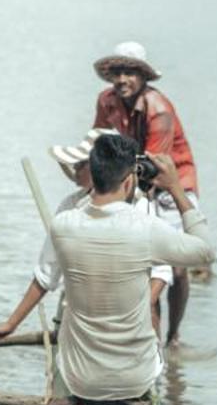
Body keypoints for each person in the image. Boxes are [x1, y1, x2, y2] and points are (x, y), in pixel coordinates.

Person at [0, 134, 212, 401]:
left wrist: (11, 324)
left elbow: (44, 279)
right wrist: (175, 187)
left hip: (79, 380)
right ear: (130, 181)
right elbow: (204, 251)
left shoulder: (63, 224)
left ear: (92, 173)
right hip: (135, 379)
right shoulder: (146, 227)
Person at [91, 41, 200, 345]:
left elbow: (155, 166)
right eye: (116, 72)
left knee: (176, 268)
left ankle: (173, 335)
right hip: (131, 179)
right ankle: (150, 345)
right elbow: (99, 144)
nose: (121, 80)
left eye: (129, 72)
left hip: (171, 182)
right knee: (149, 267)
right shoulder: (106, 101)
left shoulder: (159, 108)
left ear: (143, 77)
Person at [45, 128, 174, 335]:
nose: (76, 169)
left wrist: (135, 309)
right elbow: (47, 272)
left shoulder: (139, 208)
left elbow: (161, 270)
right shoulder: (70, 206)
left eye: (82, 164)